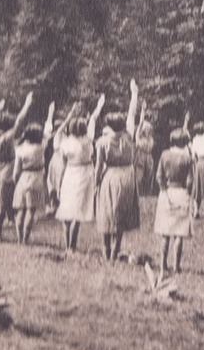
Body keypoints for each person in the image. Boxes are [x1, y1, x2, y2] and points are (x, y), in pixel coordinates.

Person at [95, 80, 142, 261]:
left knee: (106, 211)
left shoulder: (102, 142)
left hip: (110, 176)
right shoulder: (129, 136)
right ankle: (116, 249)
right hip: (128, 176)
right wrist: (134, 94)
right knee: (121, 212)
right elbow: (132, 113)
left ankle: (107, 250)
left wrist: (96, 181)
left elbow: (99, 165)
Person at [51, 95, 105, 251]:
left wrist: (70, 116)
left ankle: (68, 245)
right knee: (77, 211)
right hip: (85, 173)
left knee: (67, 210)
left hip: (70, 173)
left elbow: (57, 134)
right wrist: (99, 106)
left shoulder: (66, 143)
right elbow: (93, 119)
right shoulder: (88, 140)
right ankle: (71, 246)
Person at [0, 92, 34, 241]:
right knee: (2, 204)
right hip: (7, 169)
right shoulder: (9, 136)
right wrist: (26, 104)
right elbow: (19, 120)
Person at [12, 103, 57, 245]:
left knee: (20, 210)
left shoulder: (19, 148)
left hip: (23, 178)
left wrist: (16, 181)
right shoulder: (41, 146)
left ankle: (19, 239)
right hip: (36, 178)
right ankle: (25, 238)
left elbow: (16, 171)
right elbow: (49, 131)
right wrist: (50, 114)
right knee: (31, 211)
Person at [154, 127, 194, 272]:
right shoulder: (188, 159)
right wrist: (189, 194)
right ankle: (176, 266)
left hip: (167, 192)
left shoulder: (165, 155)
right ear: (185, 143)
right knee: (179, 233)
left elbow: (159, 176)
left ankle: (162, 263)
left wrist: (163, 190)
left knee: (165, 232)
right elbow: (190, 181)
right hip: (182, 192)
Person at [134, 103, 156, 196]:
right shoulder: (139, 136)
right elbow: (141, 123)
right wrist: (143, 110)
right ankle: (139, 195)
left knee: (150, 176)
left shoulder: (151, 138)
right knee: (139, 176)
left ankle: (148, 194)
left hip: (149, 156)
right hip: (140, 155)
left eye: (149, 128)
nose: (147, 130)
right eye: (145, 128)